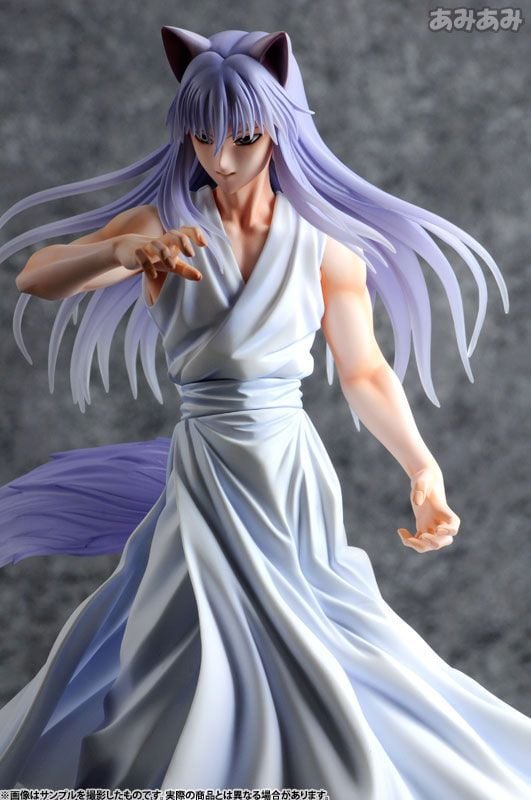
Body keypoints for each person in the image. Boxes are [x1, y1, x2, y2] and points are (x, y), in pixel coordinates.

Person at [0, 25, 529, 799]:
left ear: (278, 129)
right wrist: (117, 254)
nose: (222, 158)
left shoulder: (323, 244)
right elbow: (38, 276)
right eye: (204, 137)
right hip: (206, 472)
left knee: (319, 639)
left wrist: (422, 468)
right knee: (186, 641)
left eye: (243, 139)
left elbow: (363, 370)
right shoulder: (161, 225)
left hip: (288, 472)